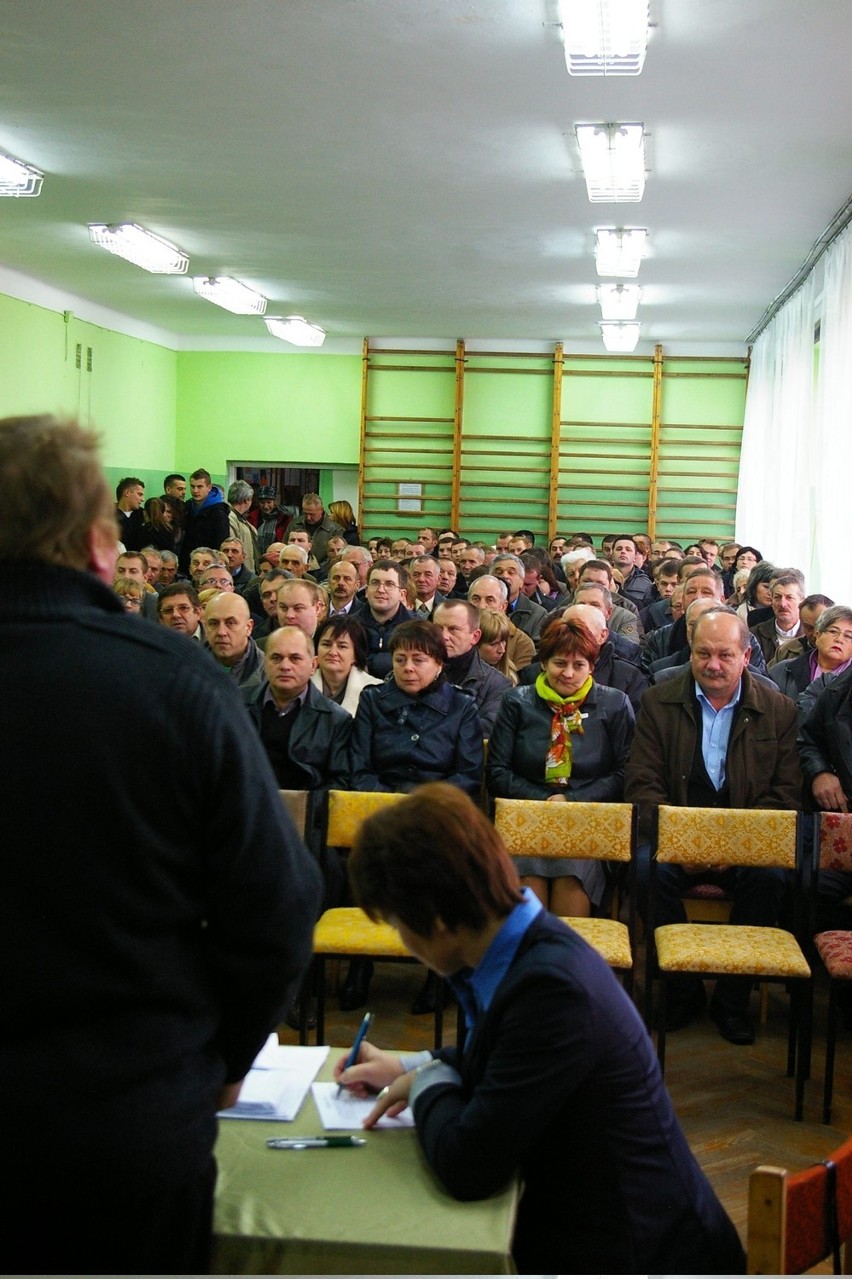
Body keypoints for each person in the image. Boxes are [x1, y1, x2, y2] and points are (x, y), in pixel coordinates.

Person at [0, 414, 321, 1275]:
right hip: (128, 1121)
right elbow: (280, 904)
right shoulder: (176, 682)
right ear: (106, 547)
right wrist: (223, 1059)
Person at [334, 784, 745, 1275]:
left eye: (399, 924)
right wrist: (408, 1064)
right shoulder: (521, 947)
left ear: (439, 920)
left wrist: (424, 1083)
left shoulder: (551, 987)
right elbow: (507, 1060)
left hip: (643, 1253)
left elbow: (468, 1166)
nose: (401, 940)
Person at [625, 608, 801, 1044]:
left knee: (769, 877)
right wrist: (684, 845)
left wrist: (734, 849)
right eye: (703, 653)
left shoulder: (778, 710)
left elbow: (784, 793)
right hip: (674, 840)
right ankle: (681, 992)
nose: (713, 664)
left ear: (746, 656)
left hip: (747, 844)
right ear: (691, 653)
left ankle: (732, 1000)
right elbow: (643, 785)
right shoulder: (657, 701)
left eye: (725, 654)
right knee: (645, 871)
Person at [487, 616, 635, 917]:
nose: (567, 674)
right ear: (543, 663)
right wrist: (545, 802)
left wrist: (571, 802)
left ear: (591, 667)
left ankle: (566, 961)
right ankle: (531, 960)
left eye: (578, 665)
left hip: (588, 820)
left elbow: (624, 773)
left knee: (572, 873)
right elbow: (498, 772)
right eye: (559, 663)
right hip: (527, 819)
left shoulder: (614, 704)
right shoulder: (516, 702)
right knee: (529, 876)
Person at [310, 614, 382, 715]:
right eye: (326, 644)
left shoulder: (375, 690)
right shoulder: (301, 684)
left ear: (356, 654)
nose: (332, 652)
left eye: (342, 646)